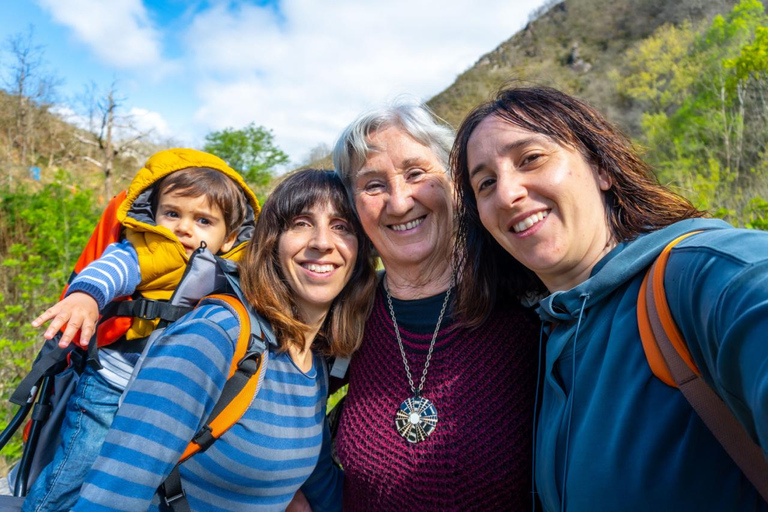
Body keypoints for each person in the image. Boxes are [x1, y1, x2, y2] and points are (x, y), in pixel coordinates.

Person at [451, 85, 768, 511]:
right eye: (485, 183)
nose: (507, 194)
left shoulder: (702, 275)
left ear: (601, 168)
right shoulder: (549, 335)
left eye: (531, 159)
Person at [70, 168, 377, 511]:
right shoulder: (216, 335)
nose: (322, 242)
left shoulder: (315, 359)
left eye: (341, 227)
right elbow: (114, 494)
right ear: (272, 242)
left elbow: (318, 474)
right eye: (301, 223)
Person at [24, 148, 259, 512]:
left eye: (203, 221)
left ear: (229, 237)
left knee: (133, 480)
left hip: (166, 399)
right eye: (172, 213)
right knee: (76, 468)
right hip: (111, 387)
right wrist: (85, 298)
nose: (183, 227)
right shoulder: (148, 251)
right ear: (155, 215)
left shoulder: (232, 273)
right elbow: (109, 270)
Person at [331, 101, 540, 510]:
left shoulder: (529, 300)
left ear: (455, 184)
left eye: (415, 173)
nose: (400, 202)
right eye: (373, 185)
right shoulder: (342, 317)